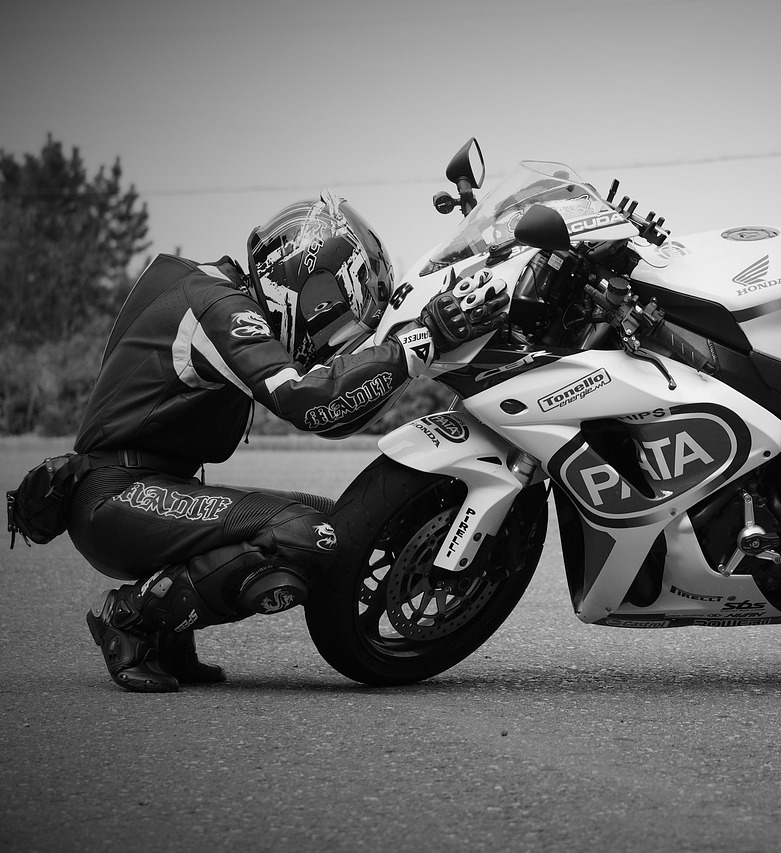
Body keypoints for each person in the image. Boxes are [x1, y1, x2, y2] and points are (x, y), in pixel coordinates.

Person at [70, 190, 509, 692]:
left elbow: (335, 414)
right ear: (303, 282)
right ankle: (131, 619)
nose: (332, 338)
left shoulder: (212, 288)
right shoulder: (218, 307)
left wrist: (414, 344)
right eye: (337, 316)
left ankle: (170, 632)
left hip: (147, 489)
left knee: (340, 524)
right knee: (308, 536)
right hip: (115, 495)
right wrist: (420, 342)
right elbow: (305, 402)